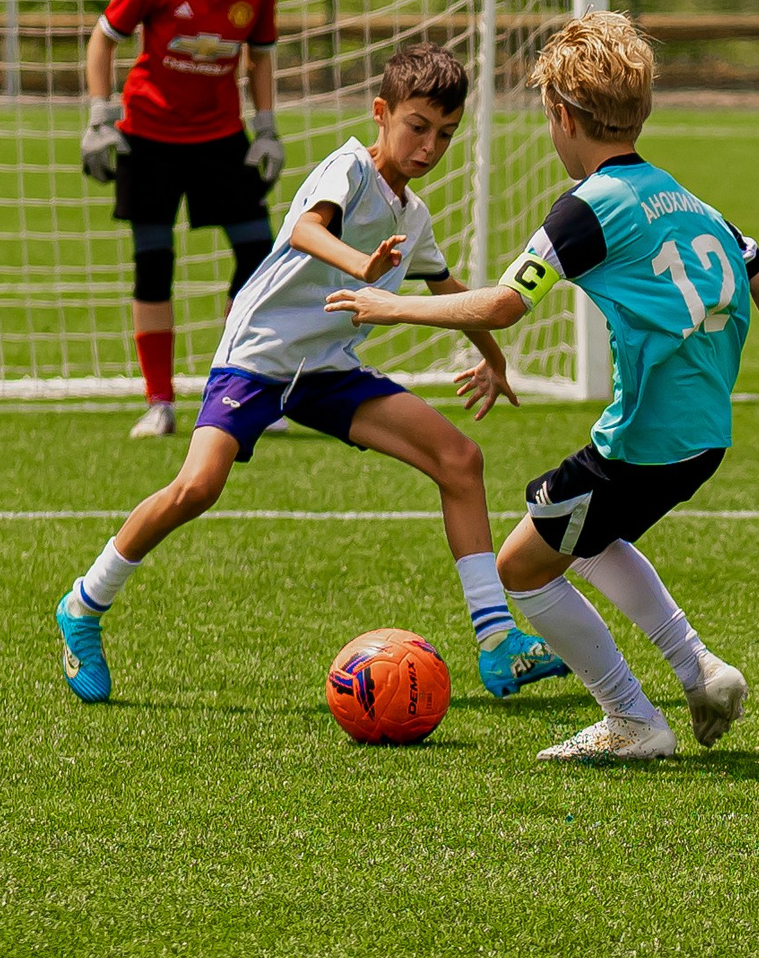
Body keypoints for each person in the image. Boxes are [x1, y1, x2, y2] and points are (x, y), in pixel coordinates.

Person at [329, 12, 759, 763]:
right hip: (704, 438)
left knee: (522, 568)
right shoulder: (682, 195)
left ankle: (633, 719)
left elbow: (504, 302)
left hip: (645, 439)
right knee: (582, 532)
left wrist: (389, 303)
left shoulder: (588, 208)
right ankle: (699, 669)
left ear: (563, 117)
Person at [53, 43, 570, 704]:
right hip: (259, 354)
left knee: (460, 459)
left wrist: (492, 359)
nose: (430, 145)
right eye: (418, 126)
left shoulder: (413, 218)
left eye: (446, 133)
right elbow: (303, 229)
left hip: (326, 368)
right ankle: (85, 601)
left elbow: (448, 290)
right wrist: (360, 265)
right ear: (381, 113)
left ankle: (498, 643)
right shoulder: (349, 166)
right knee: (197, 487)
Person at [82, 0, 286, 441]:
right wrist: (101, 117)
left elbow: (261, 57)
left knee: (259, 259)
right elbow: (103, 38)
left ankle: (236, 390)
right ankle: (159, 402)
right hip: (148, 136)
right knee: (154, 264)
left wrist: (266, 128)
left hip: (221, 136)